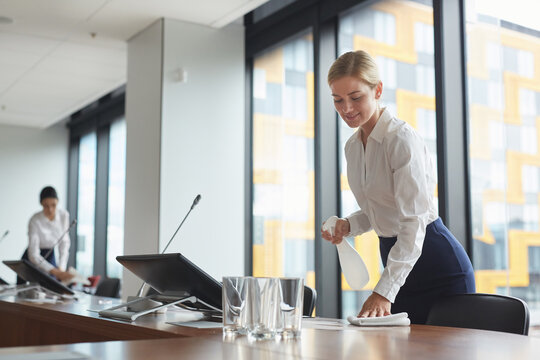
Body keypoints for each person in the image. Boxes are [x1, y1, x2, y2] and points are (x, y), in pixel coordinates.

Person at [321, 50, 475, 324]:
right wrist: (349, 225)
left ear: (377, 90)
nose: (346, 108)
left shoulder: (401, 139)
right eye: (338, 100)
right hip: (397, 261)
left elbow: (412, 221)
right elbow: (380, 207)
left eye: (356, 97)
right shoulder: (353, 147)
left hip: (435, 263)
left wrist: (384, 291)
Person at [17, 186, 74, 284]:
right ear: (41, 204)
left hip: (50, 254)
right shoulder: (35, 220)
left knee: (51, 287)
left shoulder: (64, 216)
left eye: (53, 205)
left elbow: (64, 244)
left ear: (58, 202)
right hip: (32, 258)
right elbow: (33, 254)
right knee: (25, 290)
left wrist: (61, 268)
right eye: (46, 206)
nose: (50, 209)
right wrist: (55, 271)